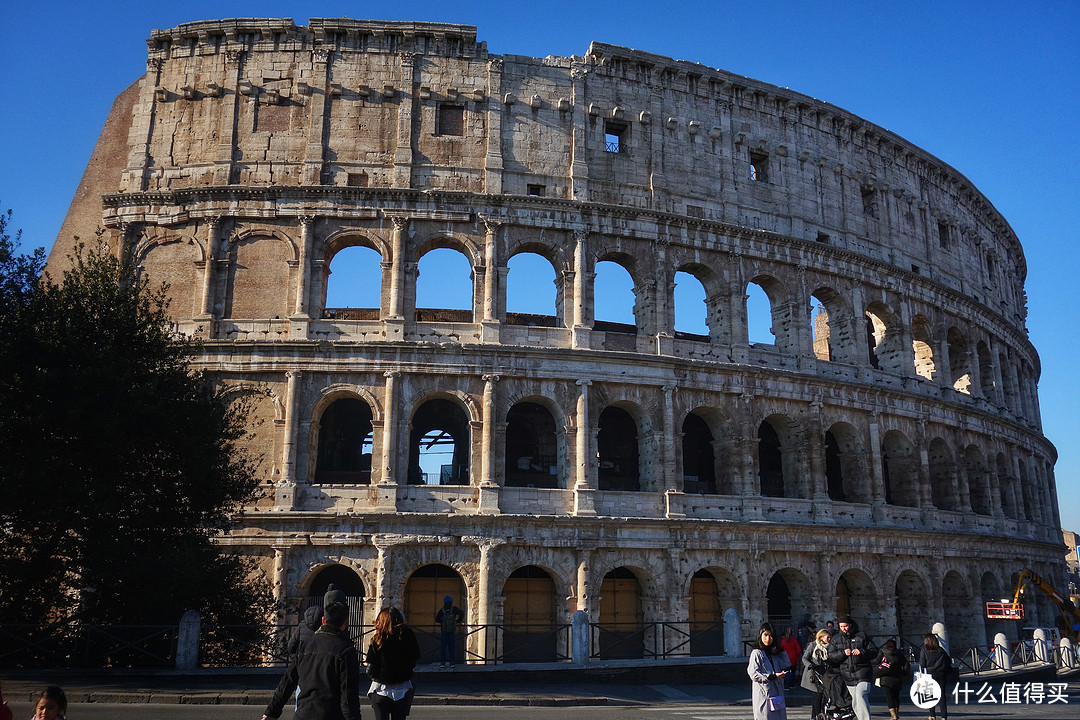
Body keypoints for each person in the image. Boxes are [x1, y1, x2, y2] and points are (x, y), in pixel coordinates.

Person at [263, 583, 363, 720]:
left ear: (323, 620)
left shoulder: (304, 646)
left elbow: (287, 682)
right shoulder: (346, 650)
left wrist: (271, 713)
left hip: (302, 714)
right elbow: (348, 697)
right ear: (347, 622)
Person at [366, 607, 421, 720]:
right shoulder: (408, 635)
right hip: (403, 688)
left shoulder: (378, 638)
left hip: (381, 689)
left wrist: (376, 676)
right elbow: (414, 659)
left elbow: (371, 668)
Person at [827, 616, 879, 720]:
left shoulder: (861, 636)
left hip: (862, 672)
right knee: (855, 700)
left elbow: (874, 651)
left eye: (845, 626)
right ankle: (860, 718)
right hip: (847, 675)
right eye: (841, 626)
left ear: (850, 625)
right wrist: (842, 653)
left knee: (860, 695)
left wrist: (862, 652)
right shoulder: (836, 639)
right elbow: (831, 655)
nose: (843, 628)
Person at [747, 621, 791, 720]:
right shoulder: (757, 653)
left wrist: (780, 649)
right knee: (765, 716)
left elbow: (786, 663)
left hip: (777, 692)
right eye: (765, 635)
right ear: (760, 635)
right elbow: (753, 673)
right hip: (764, 693)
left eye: (771, 636)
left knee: (779, 716)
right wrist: (772, 676)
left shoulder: (774, 653)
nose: (768, 639)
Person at [800, 628, 832, 720]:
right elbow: (805, 658)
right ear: (821, 637)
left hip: (825, 673)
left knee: (823, 695)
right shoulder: (813, 645)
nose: (829, 639)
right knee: (818, 695)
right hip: (814, 673)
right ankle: (817, 715)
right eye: (827, 637)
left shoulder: (829, 646)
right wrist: (810, 665)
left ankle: (816, 716)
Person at [919, 633, 951, 720]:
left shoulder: (924, 650)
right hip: (941, 674)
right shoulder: (941, 650)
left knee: (931, 695)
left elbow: (922, 664)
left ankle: (932, 715)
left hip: (929, 675)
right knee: (942, 695)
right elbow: (948, 660)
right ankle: (944, 716)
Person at [876, 638, 910, 720]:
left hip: (885, 677)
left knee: (889, 696)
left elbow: (876, 661)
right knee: (896, 696)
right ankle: (897, 713)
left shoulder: (882, 652)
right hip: (897, 677)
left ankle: (893, 715)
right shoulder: (899, 653)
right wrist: (904, 673)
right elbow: (906, 664)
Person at [434, 595, 464, 669]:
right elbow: (462, 614)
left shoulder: (442, 610)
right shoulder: (454, 609)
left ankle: (442, 663)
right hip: (452, 631)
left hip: (443, 631)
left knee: (443, 648)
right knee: (452, 647)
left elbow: (436, 619)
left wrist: (442, 622)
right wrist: (457, 621)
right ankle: (452, 663)